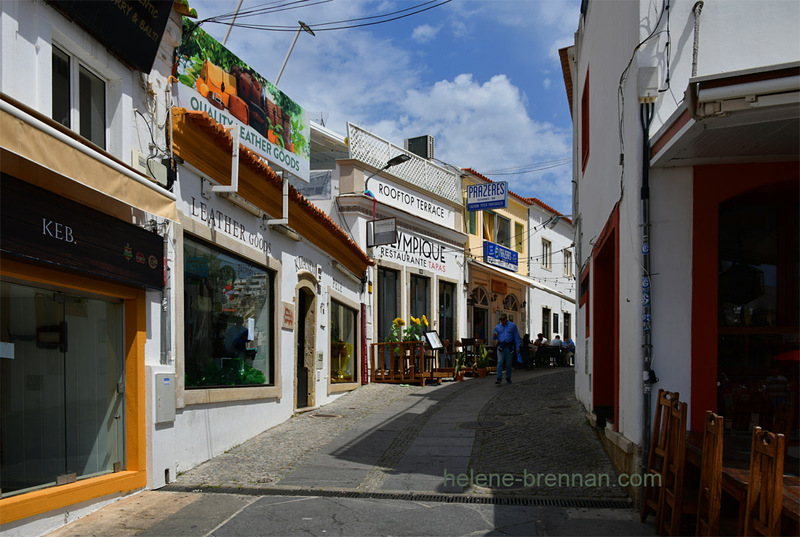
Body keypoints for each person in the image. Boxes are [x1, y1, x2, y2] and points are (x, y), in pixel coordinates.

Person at [492, 313, 521, 384]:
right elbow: (494, 337)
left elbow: (516, 337)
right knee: (499, 362)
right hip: (501, 346)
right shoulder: (497, 327)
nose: (502, 321)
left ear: (506, 319)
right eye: (500, 320)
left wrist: (518, 347)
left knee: (508, 363)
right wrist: (494, 336)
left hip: (509, 346)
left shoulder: (512, 326)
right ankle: (499, 378)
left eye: (503, 319)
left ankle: (508, 378)